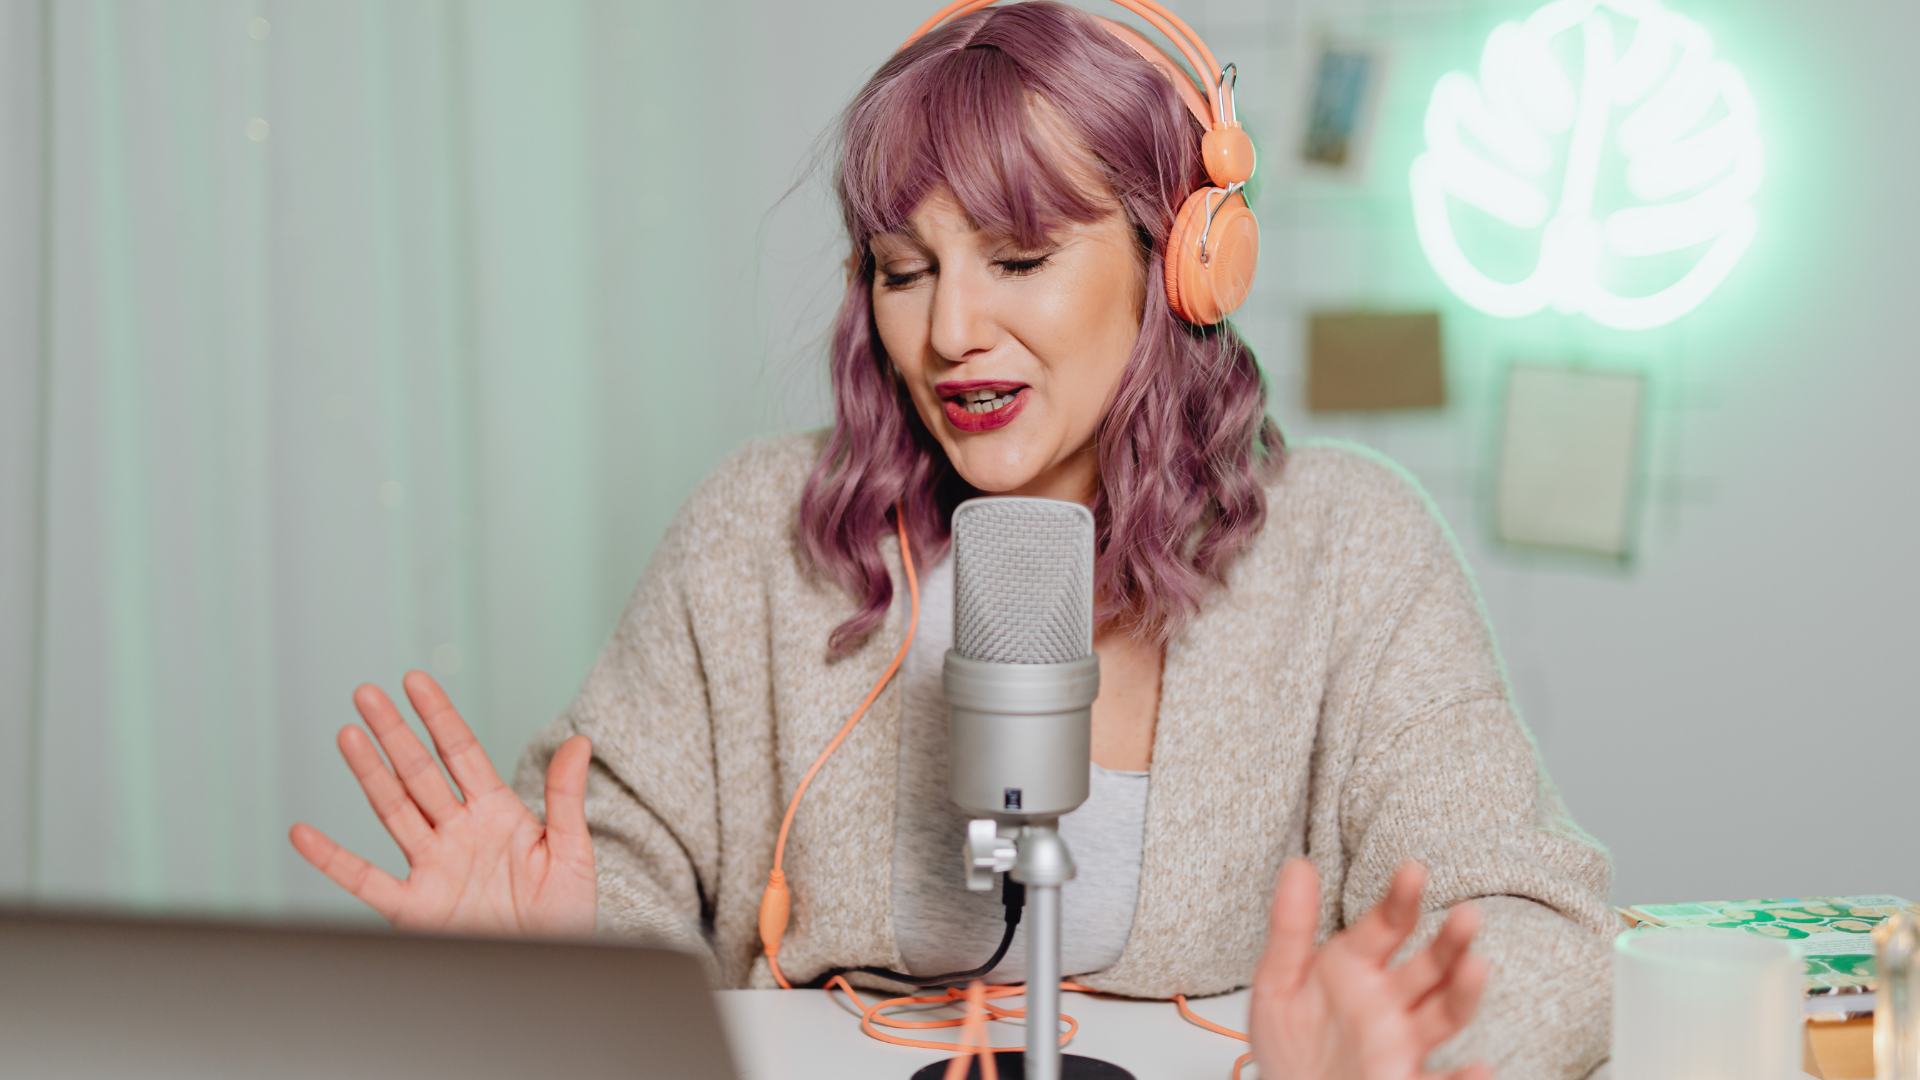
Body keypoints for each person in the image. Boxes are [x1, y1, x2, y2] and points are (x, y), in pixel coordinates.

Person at [287, 4, 1615, 1077]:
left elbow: (1533, 932)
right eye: (902, 269)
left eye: (1018, 258)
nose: (949, 333)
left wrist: (1409, 1061)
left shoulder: (1347, 549)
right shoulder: (759, 536)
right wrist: (557, 963)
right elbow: (619, 863)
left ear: (1181, 261)